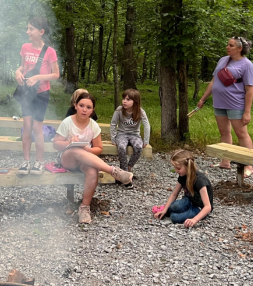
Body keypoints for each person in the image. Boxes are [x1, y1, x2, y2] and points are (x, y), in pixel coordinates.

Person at [53, 93, 133, 224]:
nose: (84, 110)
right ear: (75, 106)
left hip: (85, 159)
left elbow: (98, 148)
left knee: (92, 171)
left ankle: (84, 208)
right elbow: (56, 144)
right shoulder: (67, 122)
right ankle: (113, 171)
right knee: (75, 150)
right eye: (81, 106)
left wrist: (88, 150)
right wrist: (69, 142)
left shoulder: (93, 125)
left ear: (92, 110)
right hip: (67, 158)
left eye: (88, 107)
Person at [198, 36, 253, 177]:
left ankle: (249, 164)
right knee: (224, 132)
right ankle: (226, 161)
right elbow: (213, 81)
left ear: (239, 48)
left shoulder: (247, 65)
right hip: (219, 103)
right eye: (227, 45)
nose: (227, 47)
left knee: (241, 133)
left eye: (230, 45)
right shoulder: (223, 60)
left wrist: (247, 112)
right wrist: (203, 98)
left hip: (236, 104)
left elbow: (250, 90)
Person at [15, 17, 60, 175]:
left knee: (37, 128)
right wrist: (17, 72)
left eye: (31, 29)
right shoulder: (25, 47)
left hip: (41, 94)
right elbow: (22, 66)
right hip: (27, 93)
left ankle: (39, 162)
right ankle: (26, 161)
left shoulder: (50, 51)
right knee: (26, 127)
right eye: (27, 28)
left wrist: (37, 78)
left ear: (41, 32)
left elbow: (56, 74)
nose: (28, 31)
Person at [153, 150, 213, 227]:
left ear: (187, 167)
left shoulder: (200, 181)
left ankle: (178, 212)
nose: (176, 170)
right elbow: (174, 194)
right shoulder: (183, 175)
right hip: (189, 201)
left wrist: (194, 220)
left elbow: (208, 207)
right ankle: (169, 210)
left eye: (178, 168)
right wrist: (164, 210)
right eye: (175, 168)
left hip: (200, 208)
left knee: (174, 218)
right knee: (174, 206)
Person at [110, 88, 151, 189]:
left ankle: (129, 167)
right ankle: (123, 173)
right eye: (124, 98)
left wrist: (146, 140)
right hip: (122, 134)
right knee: (122, 147)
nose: (124, 101)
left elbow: (147, 125)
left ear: (135, 101)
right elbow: (113, 124)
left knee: (138, 146)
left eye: (128, 99)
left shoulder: (140, 111)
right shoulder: (119, 110)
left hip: (135, 135)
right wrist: (113, 138)